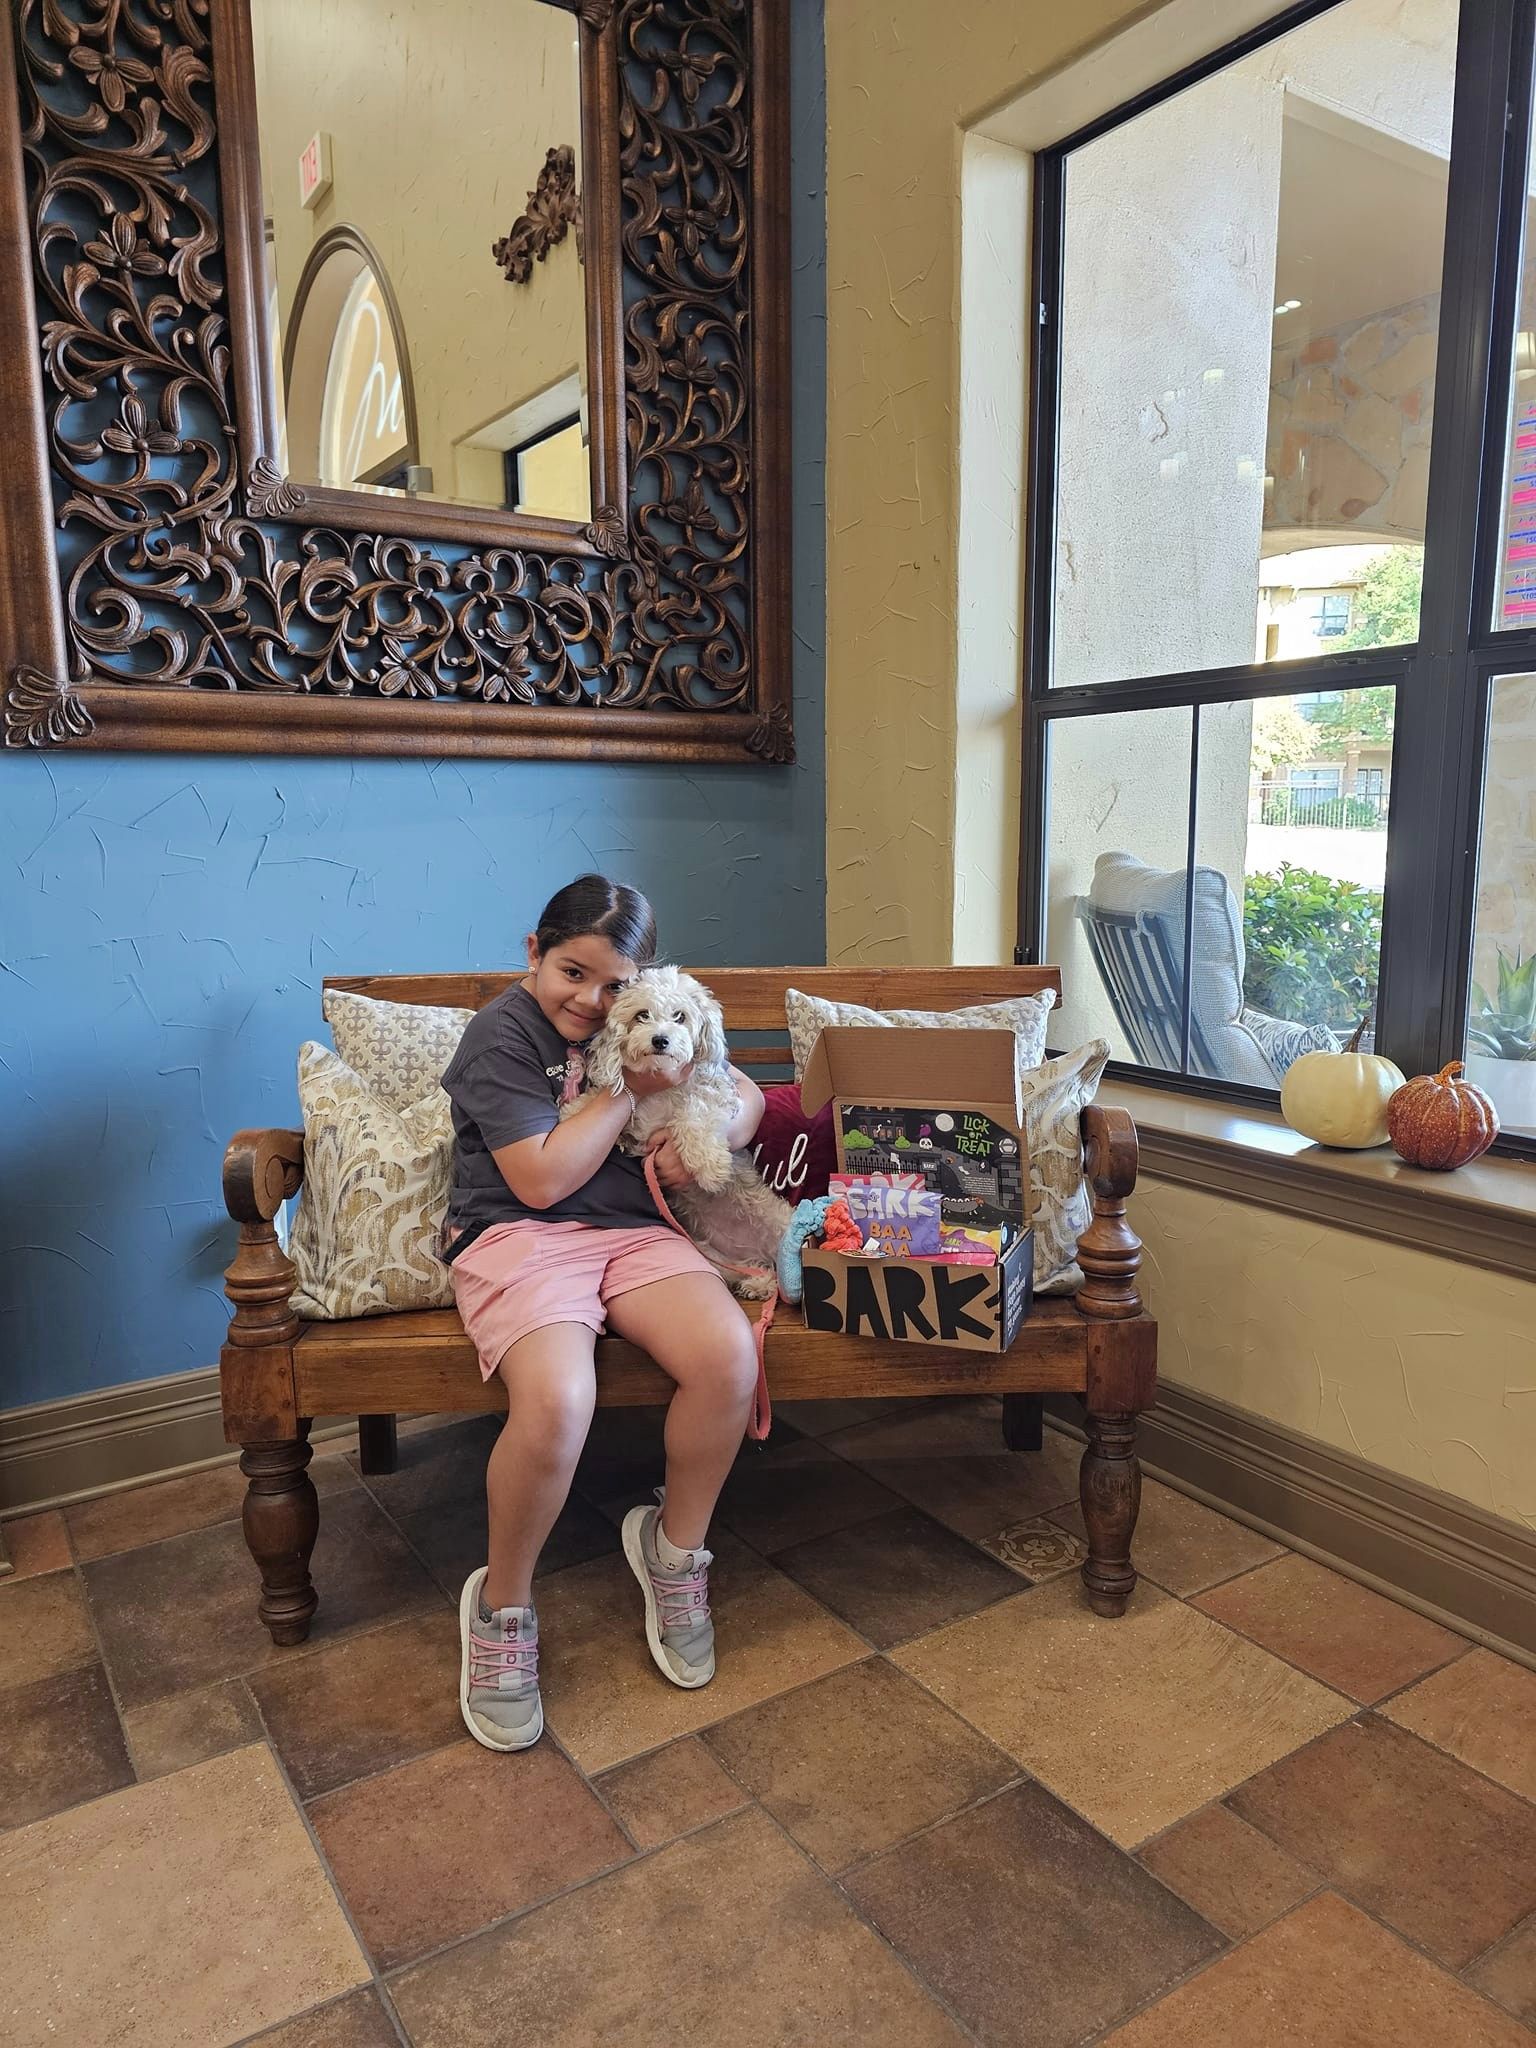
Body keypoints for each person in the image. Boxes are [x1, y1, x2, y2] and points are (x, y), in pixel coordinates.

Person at [440, 874, 763, 1751]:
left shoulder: (659, 1012)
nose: (590, 999)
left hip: (634, 1231)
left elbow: (749, 1096)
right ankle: (503, 1609)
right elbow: (540, 1176)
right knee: (558, 1402)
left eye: (614, 984)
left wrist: (711, 1133)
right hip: (520, 1234)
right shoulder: (499, 1036)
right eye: (571, 972)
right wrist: (626, 1083)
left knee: (728, 1358)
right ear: (534, 953)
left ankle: (675, 1552)